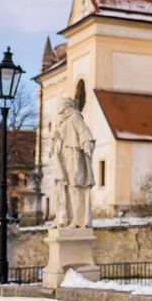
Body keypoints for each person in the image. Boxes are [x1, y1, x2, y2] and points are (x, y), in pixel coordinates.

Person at [50, 97, 96, 228]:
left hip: (73, 157)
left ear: (66, 107)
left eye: (61, 106)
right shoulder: (61, 123)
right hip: (62, 159)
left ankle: (77, 220)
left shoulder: (75, 119)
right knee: (60, 188)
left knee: (75, 188)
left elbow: (86, 135)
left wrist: (87, 146)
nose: (59, 109)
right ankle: (62, 218)